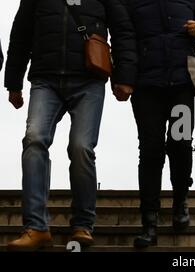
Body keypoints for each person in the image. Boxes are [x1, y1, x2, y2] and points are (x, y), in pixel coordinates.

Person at [5, 0, 137, 251]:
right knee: (33, 139)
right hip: (46, 79)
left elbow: (123, 32)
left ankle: (83, 225)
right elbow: (20, 34)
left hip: (89, 80)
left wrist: (124, 77)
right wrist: (13, 82)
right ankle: (36, 227)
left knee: (81, 147)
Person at [124, 0, 195, 248]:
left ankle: (180, 203)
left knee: (180, 143)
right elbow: (124, 40)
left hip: (185, 86)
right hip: (146, 87)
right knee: (150, 151)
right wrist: (124, 77)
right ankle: (149, 222)